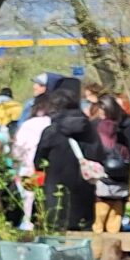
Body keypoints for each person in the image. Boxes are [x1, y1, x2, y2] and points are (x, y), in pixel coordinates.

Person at [34, 76, 97, 231]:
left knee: (55, 236)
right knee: (82, 237)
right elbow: (97, 155)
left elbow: (38, 161)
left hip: (55, 194)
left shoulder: (51, 132)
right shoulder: (89, 130)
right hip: (83, 193)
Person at [87, 94, 130, 232]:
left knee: (99, 221)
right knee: (114, 220)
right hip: (119, 180)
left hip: (102, 180)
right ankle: (112, 248)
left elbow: (91, 151)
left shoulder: (98, 126)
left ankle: (99, 251)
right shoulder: (126, 126)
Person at [10, 89, 53, 230]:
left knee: (28, 199)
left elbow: (17, 152)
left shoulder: (27, 125)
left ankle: (28, 224)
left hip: (28, 169)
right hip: (48, 169)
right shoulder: (53, 123)